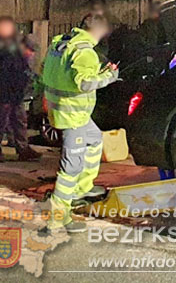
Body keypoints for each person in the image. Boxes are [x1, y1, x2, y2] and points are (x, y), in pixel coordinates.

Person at [41, 14, 119, 233]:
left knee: (94, 141)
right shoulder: (85, 52)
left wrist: (100, 70)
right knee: (70, 169)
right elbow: (84, 83)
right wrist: (110, 77)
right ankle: (58, 219)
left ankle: (83, 188)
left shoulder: (60, 42)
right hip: (73, 116)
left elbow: (61, 73)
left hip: (63, 111)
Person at [0, 16, 41, 163]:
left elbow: (20, 70)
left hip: (15, 93)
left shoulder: (14, 47)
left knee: (20, 120)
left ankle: (22, 149)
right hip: (2, 93)